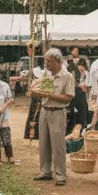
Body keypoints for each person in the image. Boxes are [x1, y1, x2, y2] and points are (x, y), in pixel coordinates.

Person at [31, 48, 74, 186]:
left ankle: (60, 175)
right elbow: (37, 94)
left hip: (58, 112)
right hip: (44, 110)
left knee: (58, 146)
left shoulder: (67, 76)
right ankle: (45, 171)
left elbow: (68, 97)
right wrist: (34, 92)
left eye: (49, 61)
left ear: (58, 62)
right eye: (45, 60)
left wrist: (49, 95)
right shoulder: (45, 74)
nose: (46, 63)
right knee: (43, 143)